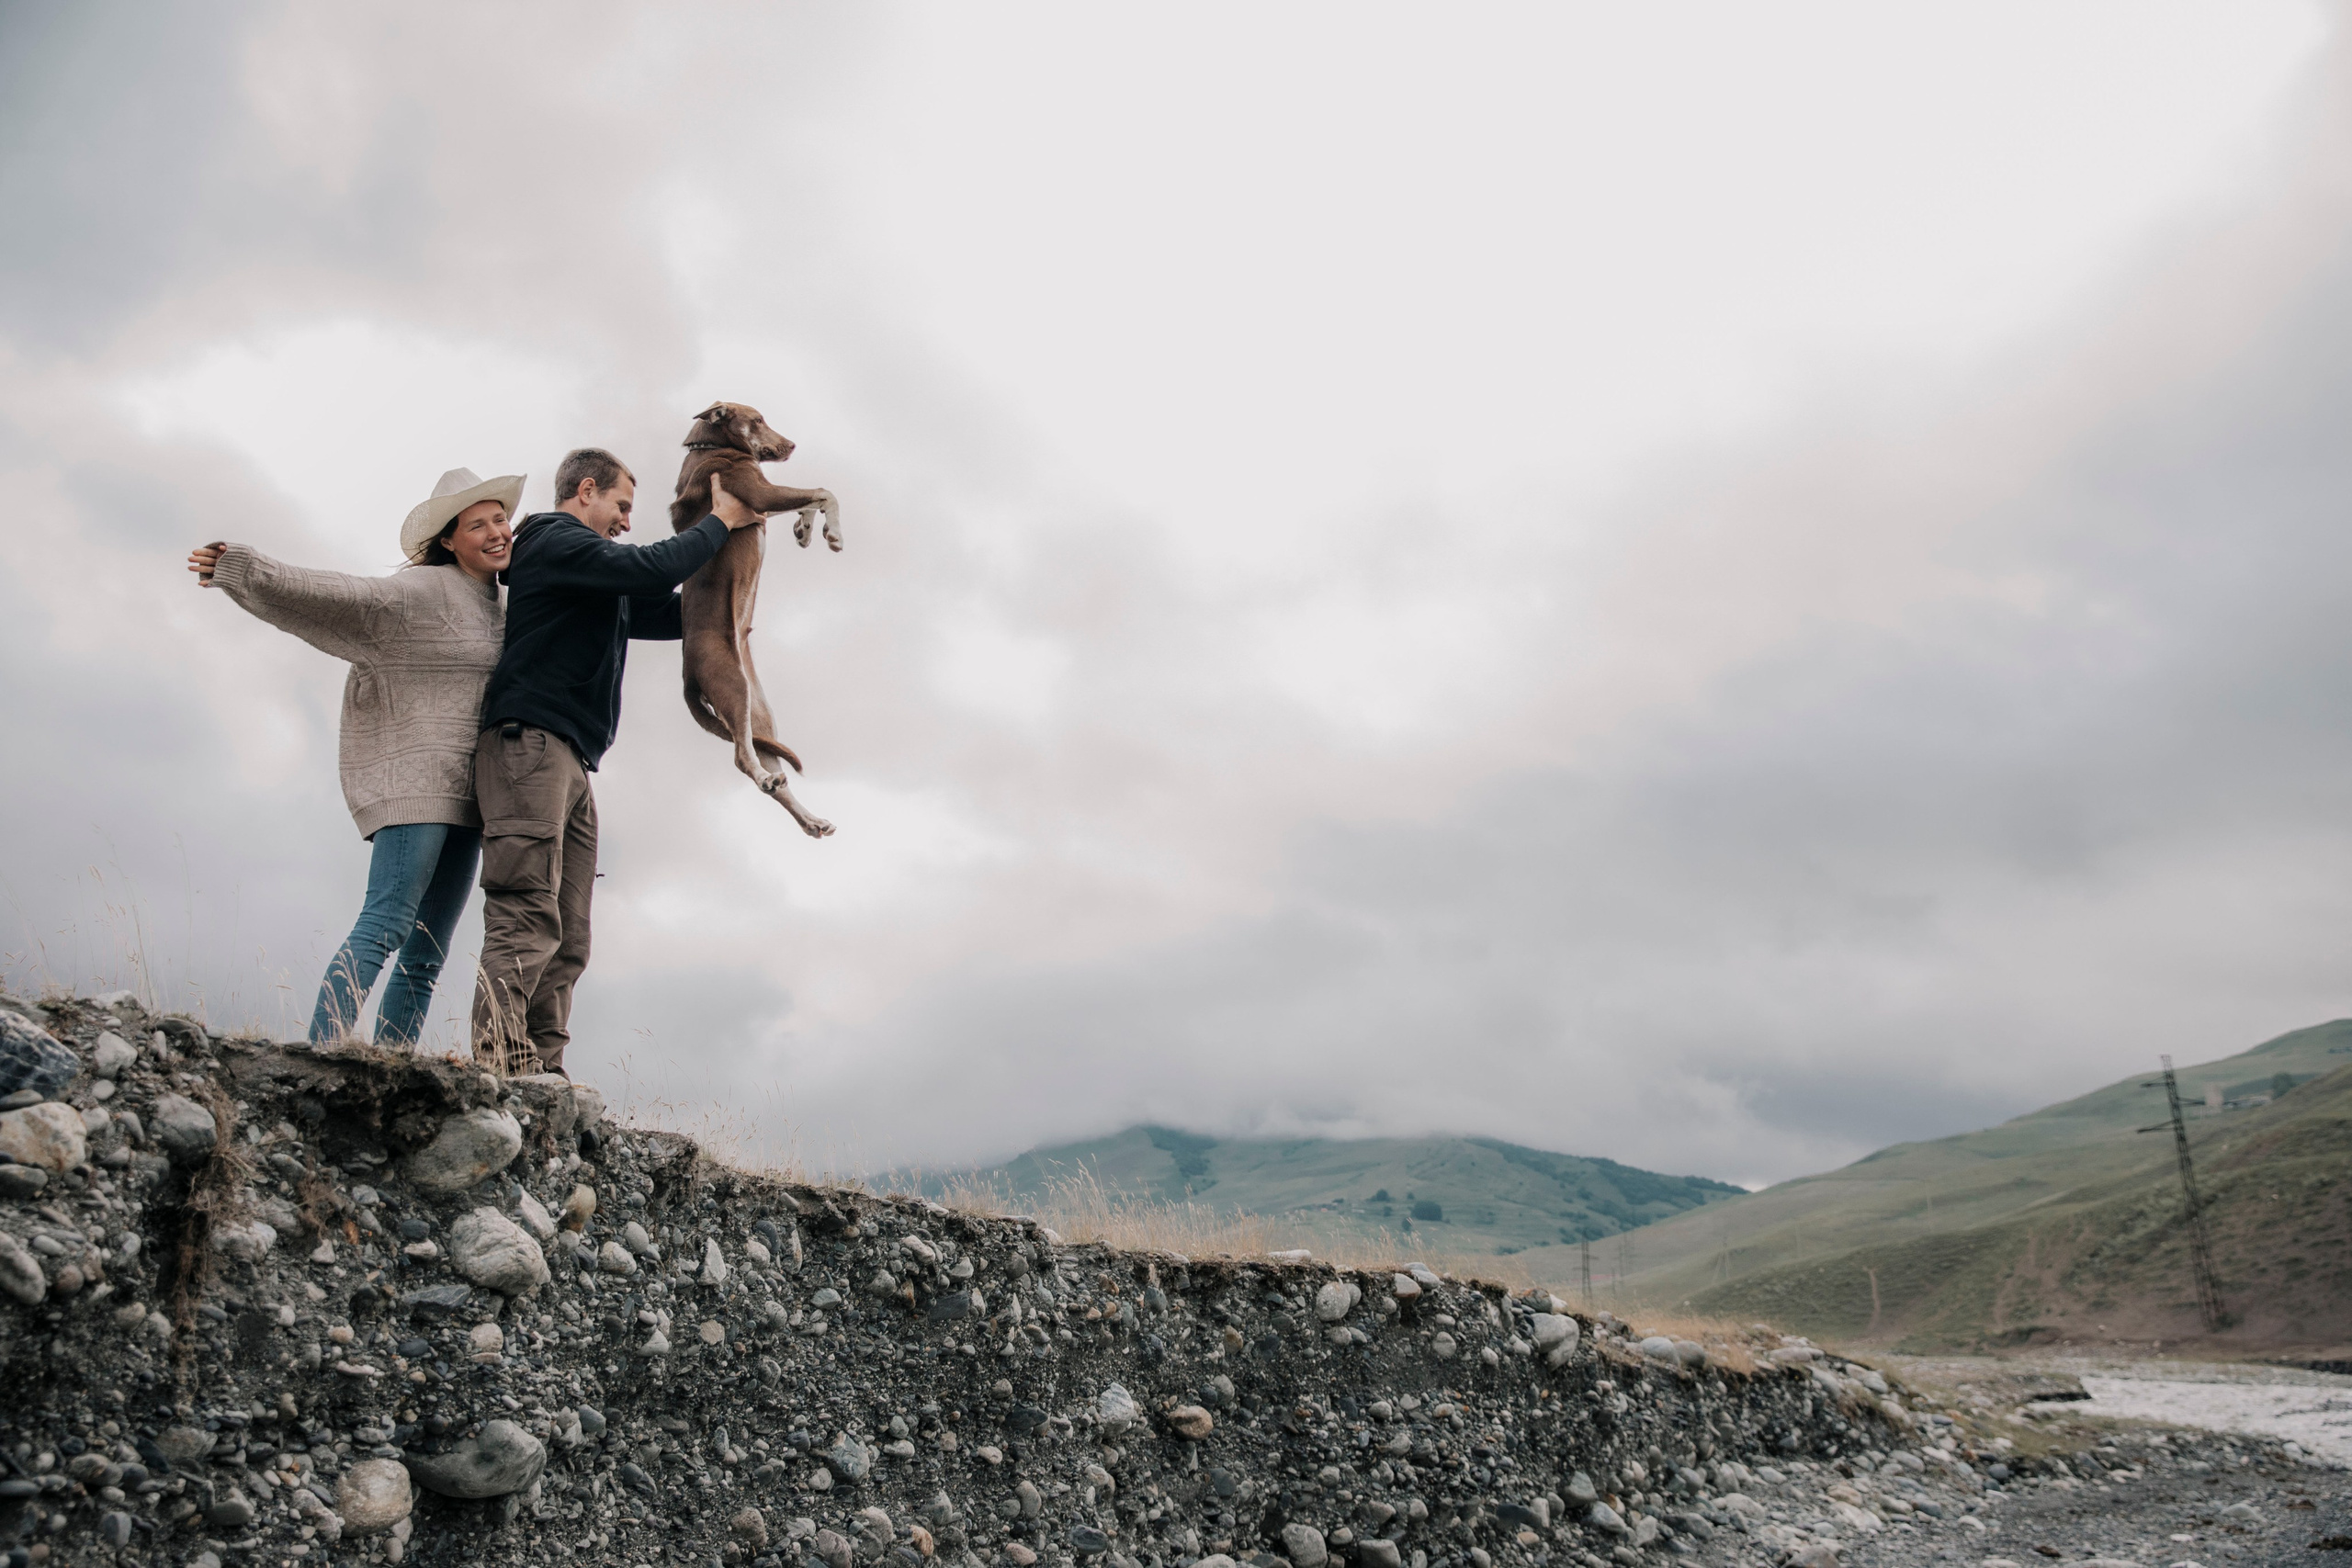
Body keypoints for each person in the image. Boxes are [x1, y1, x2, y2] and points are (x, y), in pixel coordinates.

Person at [187, 468, 523, 1046]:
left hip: (472, 795)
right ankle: (324, 1052)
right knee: (386, 923)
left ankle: (392, 1066)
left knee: (428, 952)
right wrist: (245, 567)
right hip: (414, 786)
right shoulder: (421, 591)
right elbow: (339, 593)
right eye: (477, 525)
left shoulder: (505, 606)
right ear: (448, 540)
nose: (496, 533)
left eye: (500, 520)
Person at [470, 448, 761, 1074]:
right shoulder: (551, 540)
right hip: (531, 745)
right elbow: (653, 570)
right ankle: (500, 1062)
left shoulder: (592, 576)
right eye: (621, 506)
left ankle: (543, 1070)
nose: (627, 521)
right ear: (585, 491)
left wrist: (737, 586)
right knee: (526, 912)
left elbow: (678, 611)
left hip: (570, 758)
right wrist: (719, 521)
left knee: (569, 932)